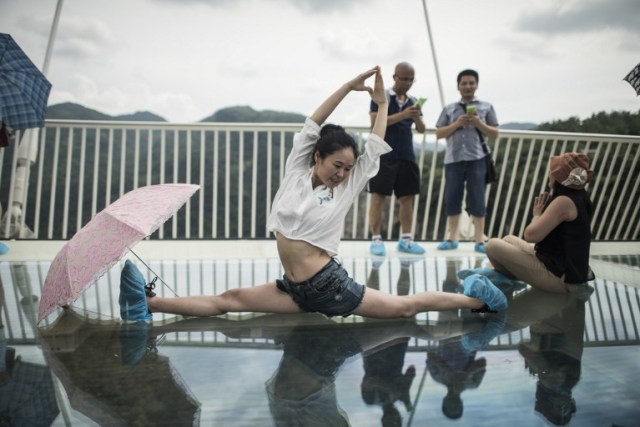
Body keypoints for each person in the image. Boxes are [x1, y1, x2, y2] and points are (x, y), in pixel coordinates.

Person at [119, 67, 507, 323]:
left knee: (405, 307)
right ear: (317, 157)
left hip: (330, 287)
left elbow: (375, 139)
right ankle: (147, 305)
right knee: (230, 298)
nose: (341, 174)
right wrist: (347, 87)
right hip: (295, 286)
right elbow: (313, 122)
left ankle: (480, 301)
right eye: (336, 165)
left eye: (348, 168)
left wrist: (383, 101)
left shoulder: (348, 184)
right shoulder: (295, 172)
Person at [458, 152, 595, 293]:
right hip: (558, 265)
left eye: (551, 171)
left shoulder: (564, 201)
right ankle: (499, 275)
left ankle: (496, 276)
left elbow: (531, 236)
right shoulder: (581, 197)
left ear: (558, 177)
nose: (549, 174)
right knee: (508, 240)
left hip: (561, 279)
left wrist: (536, 216)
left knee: (493, 245)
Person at [435, 69, 499, 254]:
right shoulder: (449, 109)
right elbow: (439, 133)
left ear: (476, 85)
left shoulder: (486, 107)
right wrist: (456, 124)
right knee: (452, 197)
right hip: (453, 159)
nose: (468, 86)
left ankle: (480, 238)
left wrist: (478, 123)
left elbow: (494, 133)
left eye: (471, 83)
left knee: (477, 197)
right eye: (464, 83)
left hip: (477, 159)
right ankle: (451, 238)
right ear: (458, 86)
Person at [367, 62, 426, 256]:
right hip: (384, 154)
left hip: (406, 154)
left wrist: (415, 116)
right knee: (378, 197)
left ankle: (406, 240)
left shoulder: (414, 101)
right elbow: (375, 121)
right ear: (395, 77)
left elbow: (421, 129)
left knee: (407, 197)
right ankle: (376, 239)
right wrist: (404, 115)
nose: (408, 83)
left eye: (411, 79)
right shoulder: (381, 96)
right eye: (405, 78)